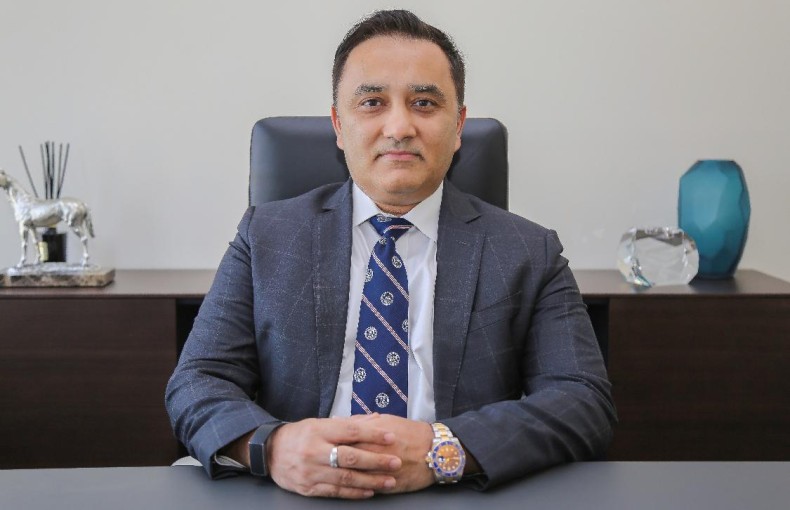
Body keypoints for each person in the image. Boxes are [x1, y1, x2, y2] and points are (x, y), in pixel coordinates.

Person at [166, 9, 616, 500]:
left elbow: (583, 400)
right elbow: (198, 381)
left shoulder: (529, 250)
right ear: (339, 126)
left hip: (459, 491)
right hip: (298, 495)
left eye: (424, 103)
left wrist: (444, 449)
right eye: (372, 102)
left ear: (458, 126)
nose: (399, 126)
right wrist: (273, 448)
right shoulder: (267, 236)